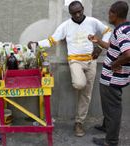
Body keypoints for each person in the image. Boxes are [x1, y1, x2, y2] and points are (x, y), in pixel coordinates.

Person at [28, 1, 112, 137]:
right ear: (70, 13)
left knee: (86, 95)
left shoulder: (92, 21)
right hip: (75, 61)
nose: (78, 14)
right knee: (79, 84)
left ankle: (79, 123)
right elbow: (52, 40)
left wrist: (100, 47)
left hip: (91, 61)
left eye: (80, 11)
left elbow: (108, 31)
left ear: (83, 9)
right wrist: (36, 44)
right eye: (74, 13)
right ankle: (80, 89)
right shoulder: (66, 26)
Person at [88, 1, 130, 146]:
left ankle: (111, 141)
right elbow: (114, 48)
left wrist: (115, 64)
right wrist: (98, 41)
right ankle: (107, 127)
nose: (108, 15)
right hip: (114, 77)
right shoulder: (125, 28)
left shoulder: (120, 31)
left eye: (110, 12)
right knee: (109, 105)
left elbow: (128, 54)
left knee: (112, 108)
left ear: (115, 14)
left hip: (112, 78)